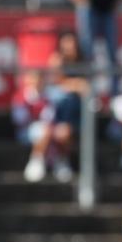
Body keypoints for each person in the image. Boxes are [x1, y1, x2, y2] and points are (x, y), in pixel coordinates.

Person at [24, 29, 89, 183]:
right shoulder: (55, 65)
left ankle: (61, 160)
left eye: (72, 44)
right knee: (49, 129)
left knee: (64, 131)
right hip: (49, 121)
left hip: (72, 120)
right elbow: (57, 81)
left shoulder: (83, 64)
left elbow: (86, 88)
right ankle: (38, 159)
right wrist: (72, 84)